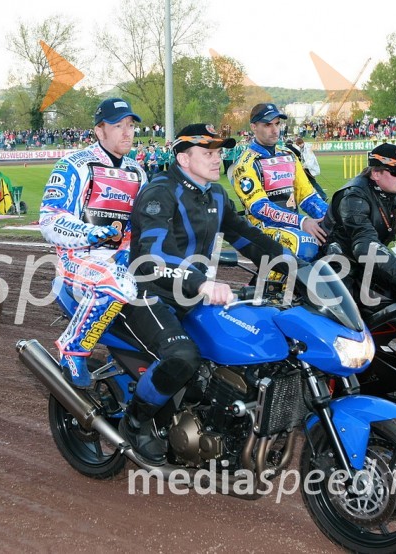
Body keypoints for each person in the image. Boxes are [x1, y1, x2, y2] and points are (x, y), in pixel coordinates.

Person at [125, 123, 289, 464]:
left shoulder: (215, 194)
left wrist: (294, 266)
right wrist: (200, 281)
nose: (218, 159)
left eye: (219, 152)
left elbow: (246, 236)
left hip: (195, 292)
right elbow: (152, 254)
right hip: (149, 292)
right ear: (184, 158)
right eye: (208, 153)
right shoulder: (160, 192)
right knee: (183, 357)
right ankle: (136, 421)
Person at [39, 97, 148, 388]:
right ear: (100, 131)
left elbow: (142, 225)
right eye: (118, 126)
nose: (127, 132)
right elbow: (50, 220)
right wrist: (89, 233)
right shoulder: (74, 165)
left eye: (130, 126)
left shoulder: (138, 172)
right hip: (78, 260)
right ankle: (72, 348)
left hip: (121, 260)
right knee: (117, 282)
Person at [321, 143, 396, 300]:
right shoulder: (353, 197)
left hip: (373, 258)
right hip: (341, 263)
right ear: (375, 174)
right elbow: (364, 243)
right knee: (348, 318)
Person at [231, 103, 328, 261]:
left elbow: (308, 197)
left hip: (292, 225)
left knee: (335, 236)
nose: (275, 130)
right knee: (306, 244)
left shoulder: (289, 155)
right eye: (268, 125)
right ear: (254, 127)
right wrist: (301, 221)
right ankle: (276, 285)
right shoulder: (245, 164)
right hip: (261, 229)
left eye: (277, 124)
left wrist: (331, 218)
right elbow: (260, 208)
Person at [290, 134, 327, 200]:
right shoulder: (302, 149)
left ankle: (322, 195)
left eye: (299, 144)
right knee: (310, 182)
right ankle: (319, 195)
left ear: (301, 143)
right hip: (306, 167)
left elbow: (310, 159)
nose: (299, 146)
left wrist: (304, 166)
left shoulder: (307, 149)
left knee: (311, 182)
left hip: (309, 168)